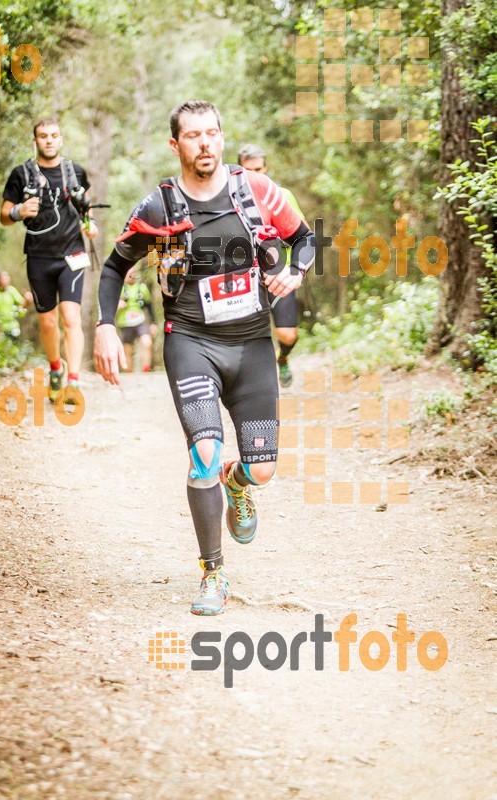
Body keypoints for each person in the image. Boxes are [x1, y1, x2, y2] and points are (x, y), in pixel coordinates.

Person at [94, 100, 315, 615]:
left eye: (212, 133)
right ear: (176, 145)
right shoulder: (158, 208)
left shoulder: (256, 192)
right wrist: (105, 325)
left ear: (221, 137)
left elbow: (305, 239)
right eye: (193, 136)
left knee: (262, 471)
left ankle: (239, 486)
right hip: (191, 341)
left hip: (253, 343)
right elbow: (111, 269)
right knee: (204, 453)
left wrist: (296, 274)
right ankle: (213, 572)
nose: (206, 143)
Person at [0, 118, 97, 403]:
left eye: (54, 135)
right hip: (39, 257)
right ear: (36, 140)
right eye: (43, 136)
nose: (49, 140)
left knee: (71, 317)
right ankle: (56, 368)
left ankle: (74, 382)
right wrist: (18, 211)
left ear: (61, 139)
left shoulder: (75, 171)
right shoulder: (22, 174)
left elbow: (86, 209)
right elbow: (3, 216)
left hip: (72, 256)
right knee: (48, 323)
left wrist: (90, 224)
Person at [238, 143, 307, 389]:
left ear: (266, 167)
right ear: (240, 170)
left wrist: (295, 268)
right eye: (249, 169)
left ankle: (283, 358)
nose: (256, 173)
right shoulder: (230, 199)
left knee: (287, 334)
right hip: (245, 279)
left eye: (259, 168)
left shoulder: (282, 195)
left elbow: (303, 235)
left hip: (279, 274)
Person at [115, 268, 157, 372]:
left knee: (147, 342)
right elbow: (109, 305)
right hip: (125, 322)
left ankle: (146, 369)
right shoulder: (119, 288)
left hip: (140, 320)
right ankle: (129, 372)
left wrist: (153, 323)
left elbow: (149, 305)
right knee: (128, 349)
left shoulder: (142, 288)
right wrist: (118, 305)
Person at [0, 270, 33, 339]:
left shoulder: (11, 290)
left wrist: (27, 301)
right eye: (5, 277)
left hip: (12, 328)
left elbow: (21, 306)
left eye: (8, 277)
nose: (8, 279)